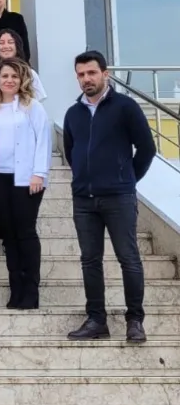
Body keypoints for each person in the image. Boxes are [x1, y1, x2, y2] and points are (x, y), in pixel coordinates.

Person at [63, 51, 155, 343]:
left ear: (105, 73)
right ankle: (96, 320)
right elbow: (71, 152)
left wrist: (125, 179)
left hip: (119, 197)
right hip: (84, 200)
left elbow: (147, 149)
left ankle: (135, 321)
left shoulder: (125, 107)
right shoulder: (73, 113)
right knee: (90, 260)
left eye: (91, 73)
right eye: (81, 74)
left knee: (128, 259)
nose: (86, 79)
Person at [0, 59, 51, 310]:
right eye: (4, 76)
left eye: (14, 76)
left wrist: (39, 173)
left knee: (25, 232)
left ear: (21, 79)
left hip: (26, 179)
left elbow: (43, 139)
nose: (9, 80)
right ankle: (16, 291)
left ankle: (31, 291)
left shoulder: (31, 106)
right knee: (8, 235)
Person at [0, 30, 47, 102]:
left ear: (17, 46)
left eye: (10, 42)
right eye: (1, 43)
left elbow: (37, 102)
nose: (6, 46)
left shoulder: (29, 73)